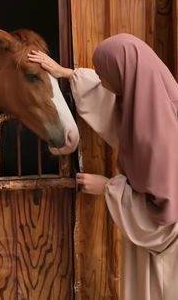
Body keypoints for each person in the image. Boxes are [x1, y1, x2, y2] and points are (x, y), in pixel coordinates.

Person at [28, 33, 178, 300]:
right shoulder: (154, 99)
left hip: (167, 261)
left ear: (124, 75)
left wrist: (109, 187)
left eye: (103, 72)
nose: (100, 79)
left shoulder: (159, 137)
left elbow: (164, 224)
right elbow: (110, 97)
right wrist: (66, 74)